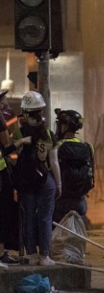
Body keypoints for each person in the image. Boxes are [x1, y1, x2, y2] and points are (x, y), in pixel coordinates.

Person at [12, 92, 61, 266]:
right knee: (45, 218)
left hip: (26, 182)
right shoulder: (48, 134)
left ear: (25, 113)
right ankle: (44, 256)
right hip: (45, 180)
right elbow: (53, 162)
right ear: (41, 111)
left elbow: (14, 158)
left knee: (29, 218)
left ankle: (31, 254)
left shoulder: (18, 134)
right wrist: (58, 184)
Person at [53, 108, 95, 223]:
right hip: (80, 201)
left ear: (65, 126)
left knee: (58, 233)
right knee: (77, 232)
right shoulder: (88, 146)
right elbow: (91, 171)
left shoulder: (57, 146)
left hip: (60, 201)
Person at [0, 89, 19, 267]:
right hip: (2, 172)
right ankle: (2, 253)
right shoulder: (1, 119)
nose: (4, 104)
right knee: (5, 211)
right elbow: (7, 143)